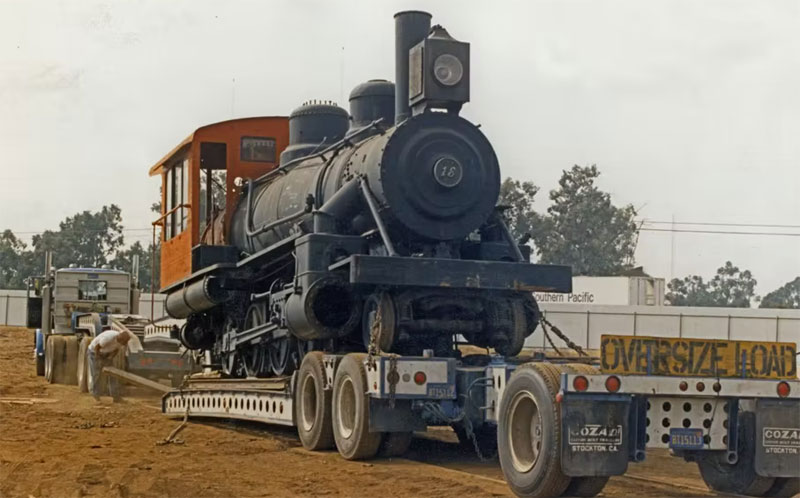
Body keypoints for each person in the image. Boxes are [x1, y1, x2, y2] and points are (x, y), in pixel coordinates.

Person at [87, 328, 131, 402]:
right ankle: (96, 395)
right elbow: (97, 347)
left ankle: (116, 397)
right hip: (94, 353)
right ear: (120, 338)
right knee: (96, 374)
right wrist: (98, 359)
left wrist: (110, 358)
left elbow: (116, 350)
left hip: (106, 354)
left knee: (112, 374)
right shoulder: (108, 338)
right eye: (123, 342)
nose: (123, 344)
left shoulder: (122, 342)